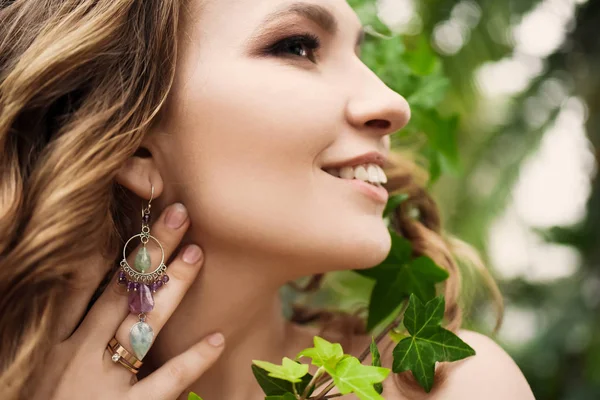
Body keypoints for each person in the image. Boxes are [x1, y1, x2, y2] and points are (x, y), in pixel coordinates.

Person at [0, 0, 536, 399]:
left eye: (358, 51)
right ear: (136, 145)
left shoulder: (450, 388)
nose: (393, 103)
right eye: (298, 47)